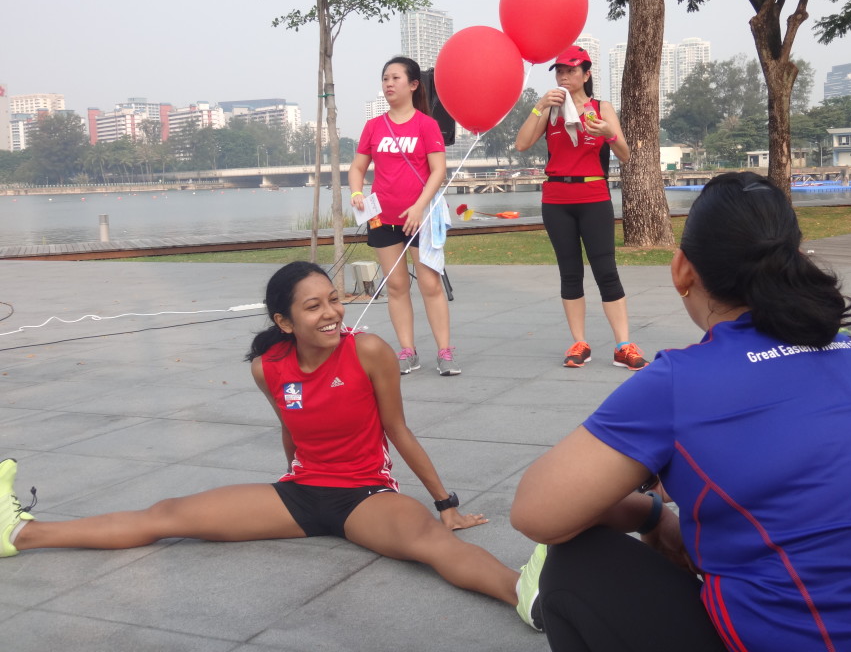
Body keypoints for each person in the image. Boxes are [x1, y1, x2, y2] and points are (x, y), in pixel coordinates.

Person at [510, 172, 851, 651]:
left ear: (683, 269)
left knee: (573, 566)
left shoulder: (680, 381)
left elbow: (536, 514)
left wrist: (653, 514)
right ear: (794, 260)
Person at [0, 261, 543, 630]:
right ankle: (21, 533)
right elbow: (290, 426)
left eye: (334, 299)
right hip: (300, 494)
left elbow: (398, 431)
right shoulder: (269, 368)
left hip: (364, 497)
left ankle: (528, 598)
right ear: (284, 320)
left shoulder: (370, 351)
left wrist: (445, 504)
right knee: (167, 515)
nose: (331, 312)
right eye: (313, 307)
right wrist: (289, 483)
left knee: (430, 544)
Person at [515, 45, 648, 371]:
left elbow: (626, 154)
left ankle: (623, 345)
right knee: (570, 272)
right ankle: (580, 343)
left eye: (571, 71)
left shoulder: (601, 107)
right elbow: (522, 144)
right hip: (557, 199)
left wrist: (609, 133)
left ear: (586, 74)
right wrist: (539, 107)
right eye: (559, 71)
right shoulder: (551, 108)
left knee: (606, 270)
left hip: (593, 196)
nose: (564, 76)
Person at [349, 56, 459, 376]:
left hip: (420, 217)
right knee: (396, 286)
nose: (389, 84)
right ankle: (407, 351)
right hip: (383, 218)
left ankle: (444, 351)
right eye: (385, 78)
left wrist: (419, 206)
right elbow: (358, 167)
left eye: (395, 78)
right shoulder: (374, 126)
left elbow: (439, 170)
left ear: (413, 85)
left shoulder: (427, 125)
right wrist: (357, 193)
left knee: (429, 284)